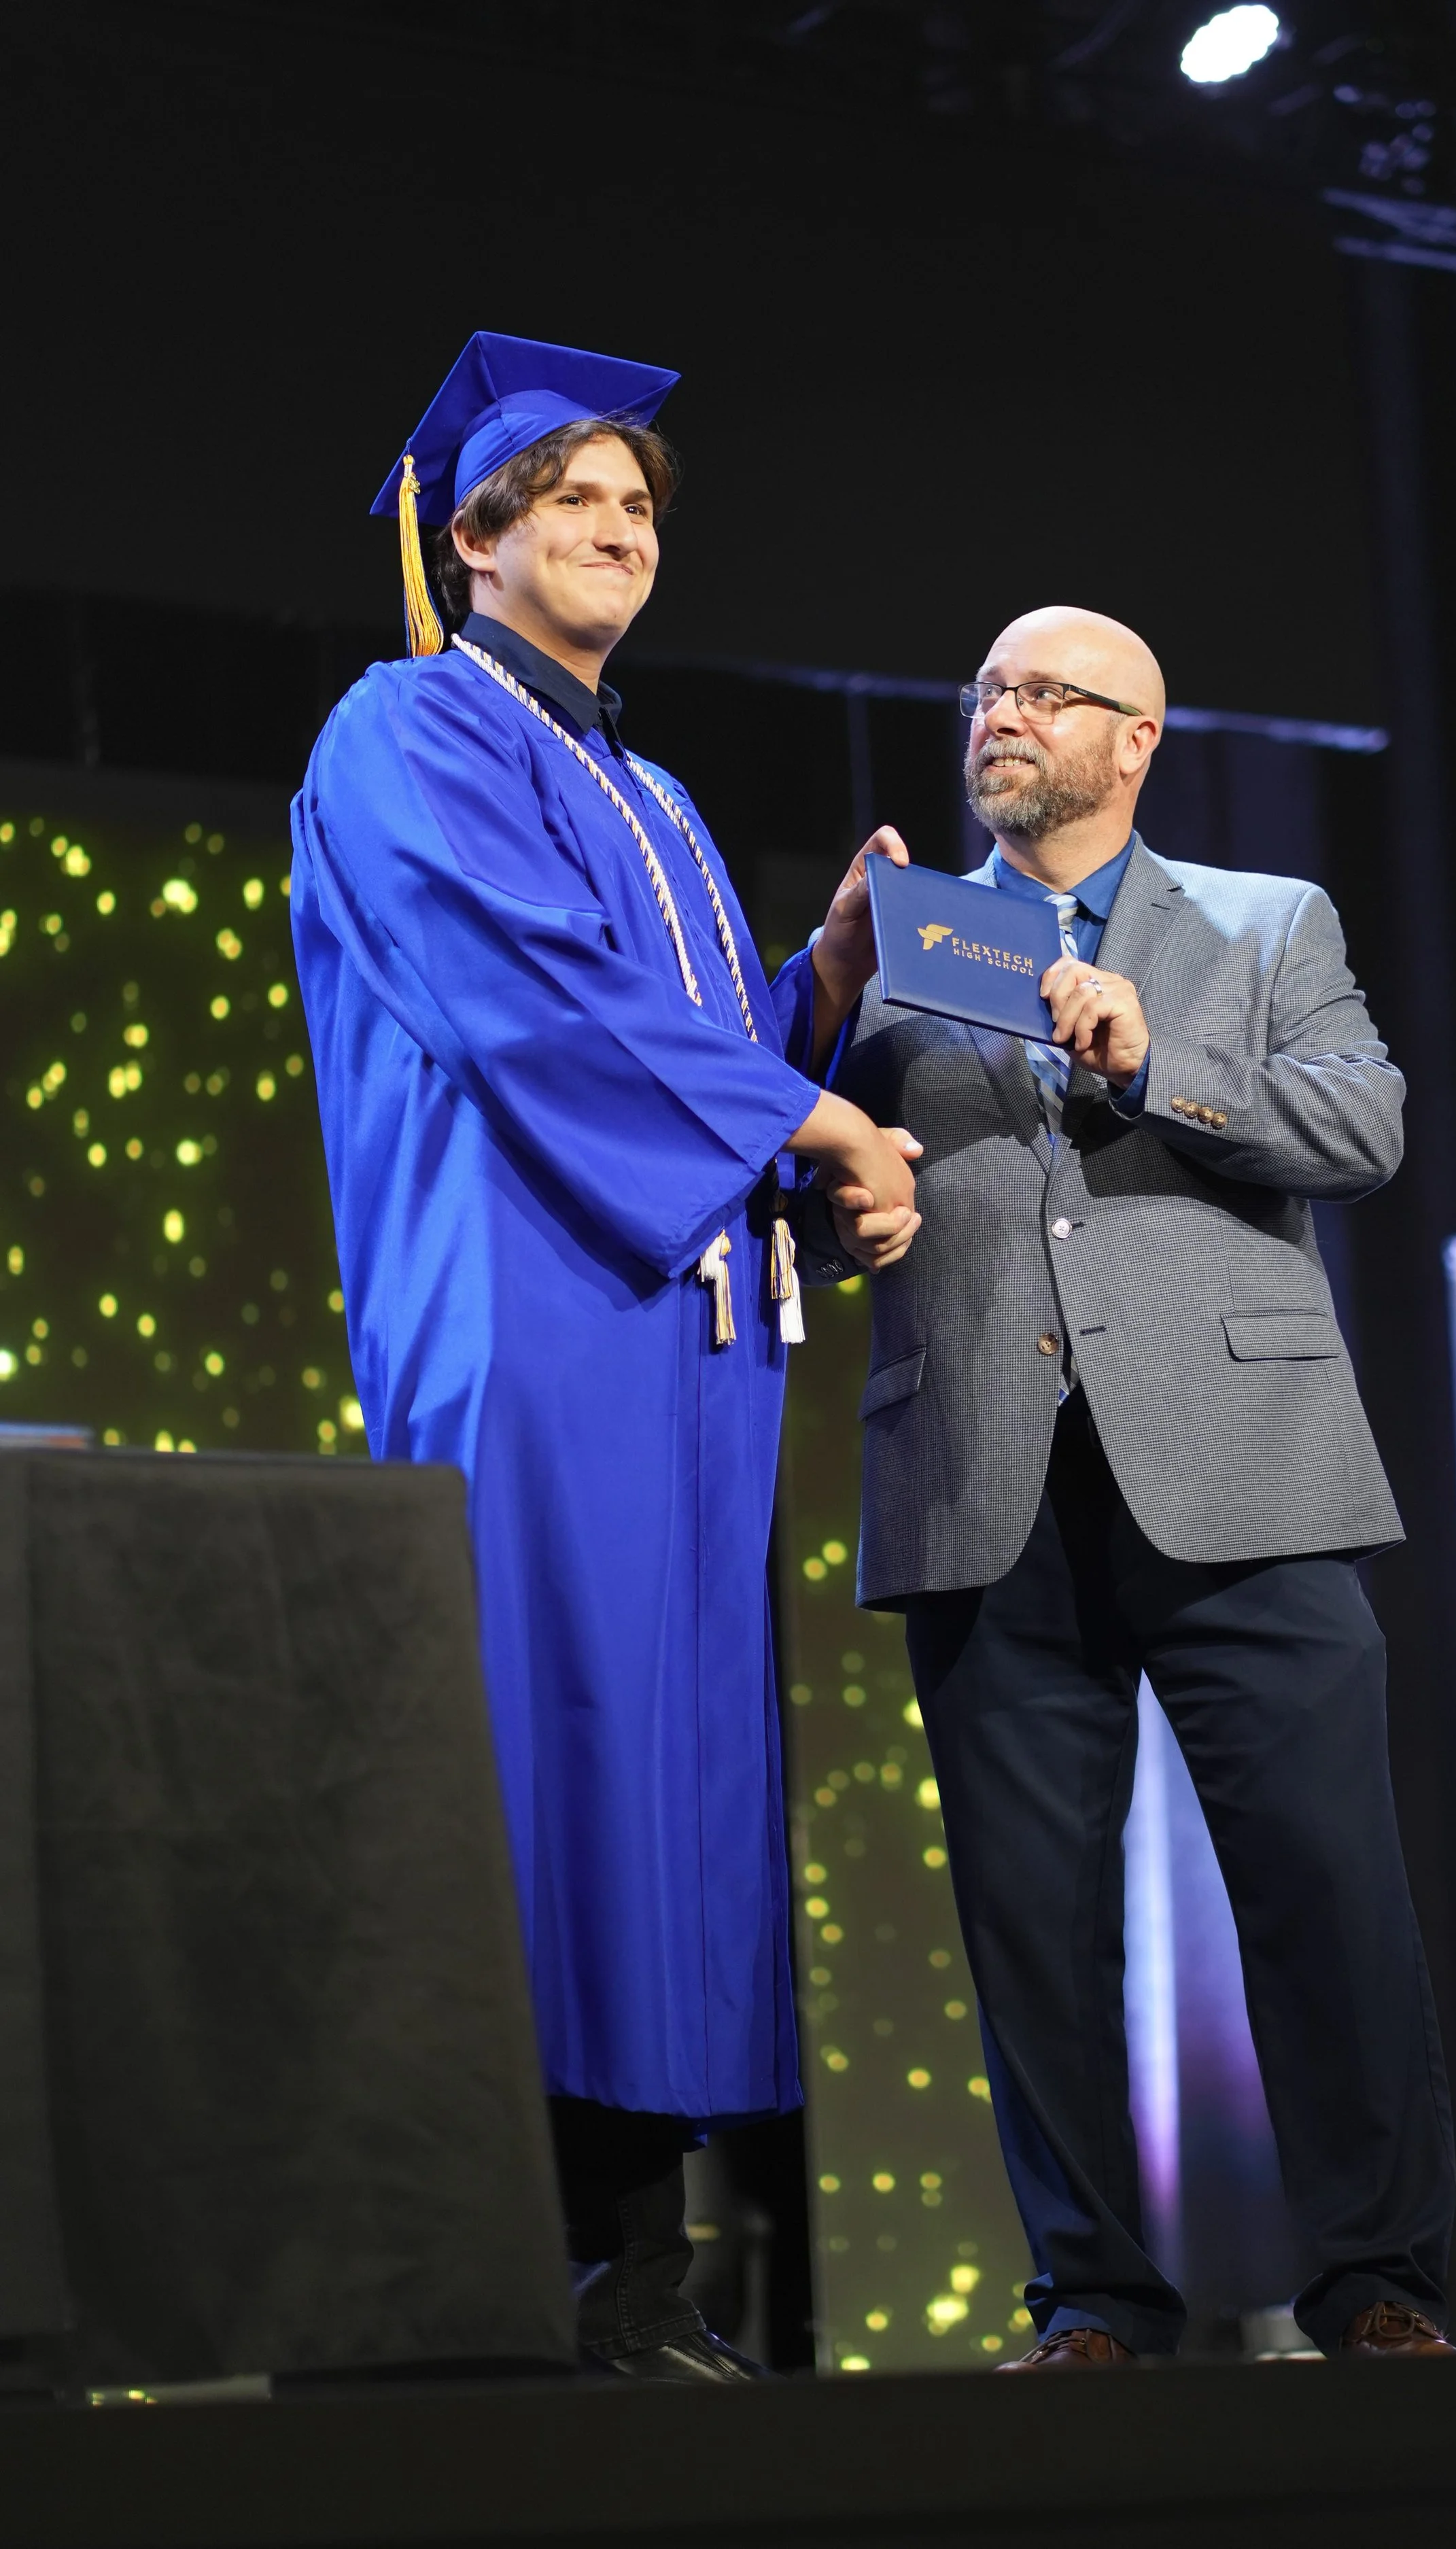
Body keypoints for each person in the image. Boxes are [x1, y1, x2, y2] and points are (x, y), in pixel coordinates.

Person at [290, 332, 918, 2382]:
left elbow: (712, 1064)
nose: (620, 529)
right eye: (574, 499)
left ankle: (646, 2273)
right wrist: (808, 1120)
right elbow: (527, 1003)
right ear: (470, 537)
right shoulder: (406, 732)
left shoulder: (646, 786)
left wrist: (815, 998)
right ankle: (563, 2266)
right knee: (549, 1756)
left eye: (641, 506)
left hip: (684, 1344)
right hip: (535, 1306)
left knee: (667, 1780)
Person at [797, 604, 1456, 2365]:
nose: (999, 715)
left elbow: (1363, 1124)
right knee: (1030, 1925)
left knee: (1328, 1891)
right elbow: (790, 1167)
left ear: (1135, 738)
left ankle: (1379, 2279)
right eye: (984, 692)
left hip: (1245, 1472)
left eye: (1042, 693)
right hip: (980, 1482)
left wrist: (1155, 1052)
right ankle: (1091, 2296)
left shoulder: (1258, 918)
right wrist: (834, 986)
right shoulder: (918, 935)